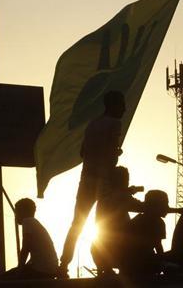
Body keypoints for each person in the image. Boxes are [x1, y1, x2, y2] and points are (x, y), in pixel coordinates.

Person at [58, 91, 126, 278]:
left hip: (86, 178)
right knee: (105, 226)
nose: (124, 109)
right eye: (122, 105)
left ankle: (63, 264)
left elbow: (83, 152)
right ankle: (104, 265)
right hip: (103, 182)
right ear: (113, 105)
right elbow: (112, 155)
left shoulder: (92, 124)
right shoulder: (115, 124)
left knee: (77, 224)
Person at [91, 166, 144, 276]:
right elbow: (143, 207)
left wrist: (128, 192)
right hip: (120, 250)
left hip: (99, 251)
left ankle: (106, 269)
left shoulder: (103, 197)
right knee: (143, 219)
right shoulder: (121, 197)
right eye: (126, 180)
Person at [0, 198, 57, 281]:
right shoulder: (34, 223)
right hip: (49, 269)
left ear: (24, 211)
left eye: (16, 212)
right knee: (7, 276)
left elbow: (25, 248)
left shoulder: (28, 221)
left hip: (42, 271)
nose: (15, 216)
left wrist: (19, 270)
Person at [120, 190, 170, 277]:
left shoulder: (137, 219)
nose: (167, 207)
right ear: (156, 206)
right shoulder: (157, 222)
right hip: (141, 264)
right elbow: (159, 248)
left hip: (127, 264)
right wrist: (164, 264)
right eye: (165, 204)